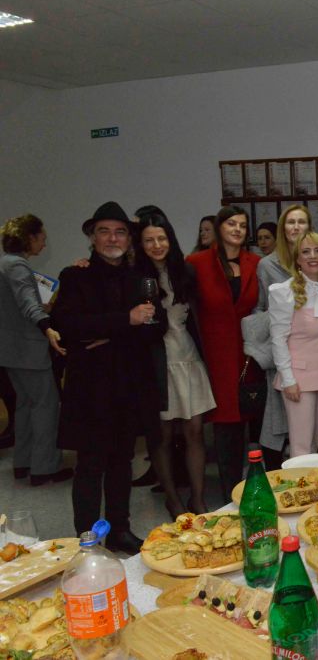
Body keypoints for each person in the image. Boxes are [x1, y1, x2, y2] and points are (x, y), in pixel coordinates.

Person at [52, 202, 165, 554]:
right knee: (90, 466)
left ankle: (120, 530)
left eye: (119, 232)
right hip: (91, 391)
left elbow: (155, 327)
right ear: (92, 237)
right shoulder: (75, 276)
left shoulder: (139, 277)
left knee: (122, 463)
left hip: (129, 387)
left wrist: (109, 332)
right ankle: (86, 539)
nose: (112, 238)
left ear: (129, 239)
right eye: (104, 231)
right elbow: (68, 327)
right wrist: (124, 321)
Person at [137, 212, 216, 516]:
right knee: (162, 435)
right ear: (140, 244)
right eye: (149, 240)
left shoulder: (185, 271)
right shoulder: (134, 275)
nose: (157, 245)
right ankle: (172, 497)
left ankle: (198, 497)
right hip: (156, 360)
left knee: (194, 431)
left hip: (187, 354)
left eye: (161, 238)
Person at [187, 205, 260, 503]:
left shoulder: (256, 262)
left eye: (242, 225)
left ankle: (256, 491)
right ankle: (230, 496)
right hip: (215, 357)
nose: (237, 229)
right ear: (219, 228)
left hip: (250, 357)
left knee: (254, 427)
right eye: (231, 224)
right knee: (225, 429)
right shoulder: (197, 263)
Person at [0, 214, 70, 485]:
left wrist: (42, 309)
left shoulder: (5, 263)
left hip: (11, 351)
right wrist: (47, 325)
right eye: (41, 238)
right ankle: (45, 468)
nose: (44, 243)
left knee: (25, 406)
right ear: (29, 237)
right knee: (46, 406)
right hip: (28, 350)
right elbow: (28, 303)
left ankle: (24, 462)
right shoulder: (18, 266)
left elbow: (17, 306)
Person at [269, 232, 318, 456]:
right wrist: (288, 380)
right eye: (306, 252)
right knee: (301, 446)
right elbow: (278, 339)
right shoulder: (284, 291)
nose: (312, 256)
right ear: (297, 259)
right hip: (298, 380)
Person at [256, 204, 313, 468]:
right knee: (279, 419)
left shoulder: (317, 258)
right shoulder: (267, 265)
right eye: (291, 222)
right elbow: (259, 308)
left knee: (308, 425)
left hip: (312, 353)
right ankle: (276, 473)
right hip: (281, 352)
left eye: (302, 222)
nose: (296, 227)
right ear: (282, 228)